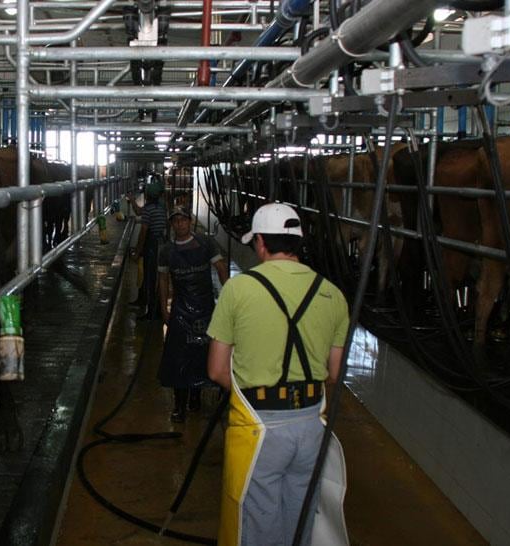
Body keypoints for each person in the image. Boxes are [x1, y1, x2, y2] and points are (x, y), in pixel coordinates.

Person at [206, 203, 349, 546]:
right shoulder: (332, 294)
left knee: (256, 523)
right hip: (312, 425)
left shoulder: (239, 290)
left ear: (260, 243)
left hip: (260, 425)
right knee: (300, 519)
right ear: (298, 242)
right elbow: (334, 373)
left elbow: (216, 370)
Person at [157, 206, 228, 422]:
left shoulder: (206, 243)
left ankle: (195, 397)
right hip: (180, 310)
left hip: (206, 308)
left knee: (204, 353)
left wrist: (228, 301)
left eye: (183, 220)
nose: (180, 224)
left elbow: (221, 268)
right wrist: (164, 308)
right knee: (178, 356)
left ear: (190, 221)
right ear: (172, 224)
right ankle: (179, 405)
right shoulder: (167, 251)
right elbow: (163, 280)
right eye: (175, 221)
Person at [127, 174, 167, 319]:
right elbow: (138, 211)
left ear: (148, 196)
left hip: (153, 246)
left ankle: (152, 311)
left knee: (151, 277)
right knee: (147, 275)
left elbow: (143, 233)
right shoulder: (159, 206)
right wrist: (132, 201)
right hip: (160, 243)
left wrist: (137, 252)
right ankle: (142, 299)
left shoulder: (150, 209)